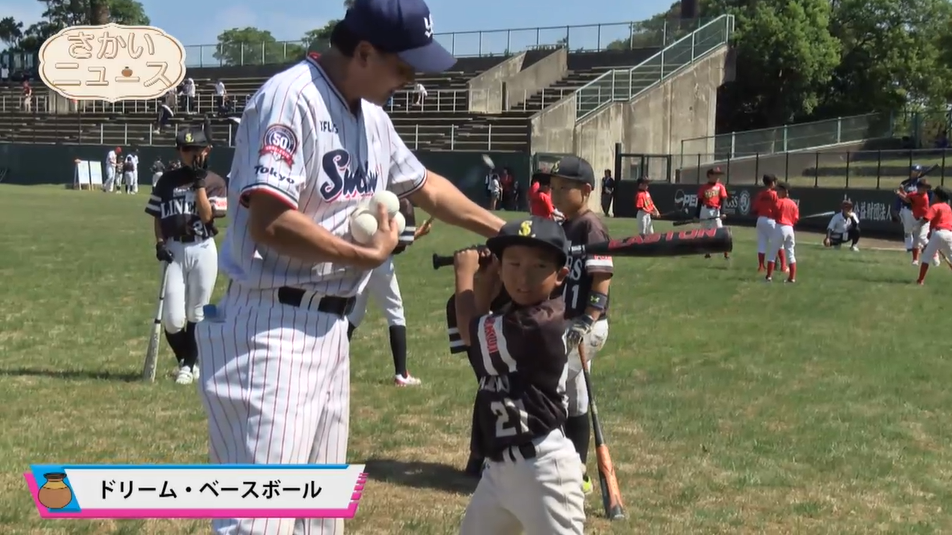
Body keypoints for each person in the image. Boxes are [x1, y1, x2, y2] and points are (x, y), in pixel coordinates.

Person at [194, 0, 505, 532]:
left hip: (330, 330)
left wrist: (508, 231)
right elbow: (270, 222)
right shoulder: (292, 99)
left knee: (320, 518)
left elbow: (426, 186)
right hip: (271, 330)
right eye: (402, 67)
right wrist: (363, 256)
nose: (409, 81)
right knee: (260, 522)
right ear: (363, 52)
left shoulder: (374, 118)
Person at [455, 216, 586, 535]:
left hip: (543, 469)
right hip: (498, 469)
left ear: (561, 276)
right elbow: (478, 333)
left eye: (539, 267)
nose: (523, 277)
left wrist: (464, 276)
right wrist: (485, 283)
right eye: (513, 263)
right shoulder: (512, 313)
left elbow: (469, 332)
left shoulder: (541, 321)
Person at [545, 155, 612, 497]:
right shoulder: (564, 224)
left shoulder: (590, 226)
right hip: (568, 321)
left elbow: (601, 277)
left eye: (563, 188)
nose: (554, 194)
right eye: (552, 188)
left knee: (553, 389)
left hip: (587, 324)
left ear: (585, 191)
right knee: (575, 396)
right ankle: (577, 472)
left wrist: (588, 318)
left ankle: (563, 468)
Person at [146, 128, 227, 385]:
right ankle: (189, 360)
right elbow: (158, 216)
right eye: (184, 149)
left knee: (197, 312)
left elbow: (208, 217)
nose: (188, 154)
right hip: (174, 250)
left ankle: (187, 367)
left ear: (206, 151)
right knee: (172, 319)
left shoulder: (216, 182)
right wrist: (159, 243)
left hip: (202, 248)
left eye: (194, 149)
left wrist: (199, 182)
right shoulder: (167, 180)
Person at [347, 198, 433, 386]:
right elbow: (396, 245)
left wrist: (418, 233)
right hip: (380, 263)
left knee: (355, 314)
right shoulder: (396, 203)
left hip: (360, 256)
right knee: (396, 314)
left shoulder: (371, 200)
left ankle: (333, 362)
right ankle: (401, 375)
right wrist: (415, 235)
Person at [895, 178, 939, 266]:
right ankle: (915, 260)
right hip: (917, 219)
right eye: (923, 187)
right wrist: (902, 190)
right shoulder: (915, 194)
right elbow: (908, 198)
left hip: (924, 219)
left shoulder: (923, 197)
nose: (925, 189)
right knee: (916, 240)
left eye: (926, 188)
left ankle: (935, 253)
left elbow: (908, 200)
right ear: (918, 187)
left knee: (922, 237)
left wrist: (899, 193)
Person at [916, 186, 952, 285]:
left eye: (934, 195)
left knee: (926, 257)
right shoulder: (948, 207)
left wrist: (916, 227)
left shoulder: (935, 206)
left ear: (937, 196)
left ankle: (920, 280)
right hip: (949, 233)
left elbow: (926, 219)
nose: (933, 197)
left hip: (938, 233)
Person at [764, 182, 799, 283]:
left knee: (772, 252)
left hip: (780, 227)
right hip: (790, 229)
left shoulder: (779, 202)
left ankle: (769, 276)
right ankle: (792, 278)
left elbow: (773, 214)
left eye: (778, 191)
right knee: (791, 253)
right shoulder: (793, 204)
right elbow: (795, 218)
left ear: (783, 191)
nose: (777, 193)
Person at [896, 164, 929, 259]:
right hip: (906, 209)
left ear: (920, 173)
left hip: (918, 211)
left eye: (917, 172)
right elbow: (902, 198)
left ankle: (920, 249)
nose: (915, 173)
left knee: (918, 232)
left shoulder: (922, 184)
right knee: (907, 230)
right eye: (913, 171)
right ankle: (909, 248)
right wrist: (896, 208)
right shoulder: (906, 182)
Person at [696, 167, 730, 259]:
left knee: (720, 231)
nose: (718, 176)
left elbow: (724, 200)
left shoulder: (720, 187)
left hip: (716, 211)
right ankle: (708, 252)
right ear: (710, 175)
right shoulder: (704, 187)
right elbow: (699, 201)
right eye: (716, 174)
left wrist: (722, 212)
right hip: (705, 210)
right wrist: (696, 215)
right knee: (706, 232)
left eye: (719, 175)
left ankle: (725, 252)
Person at [754, 174, 786, 272]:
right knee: (779, 243)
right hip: (771, 220)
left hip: (760, 220)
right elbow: (778, 208)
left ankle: (761, 266)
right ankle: (783, 266)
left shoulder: (760, 194)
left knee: (762, 243)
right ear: (772, 183)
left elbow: (755, 208)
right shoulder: (775, 194)